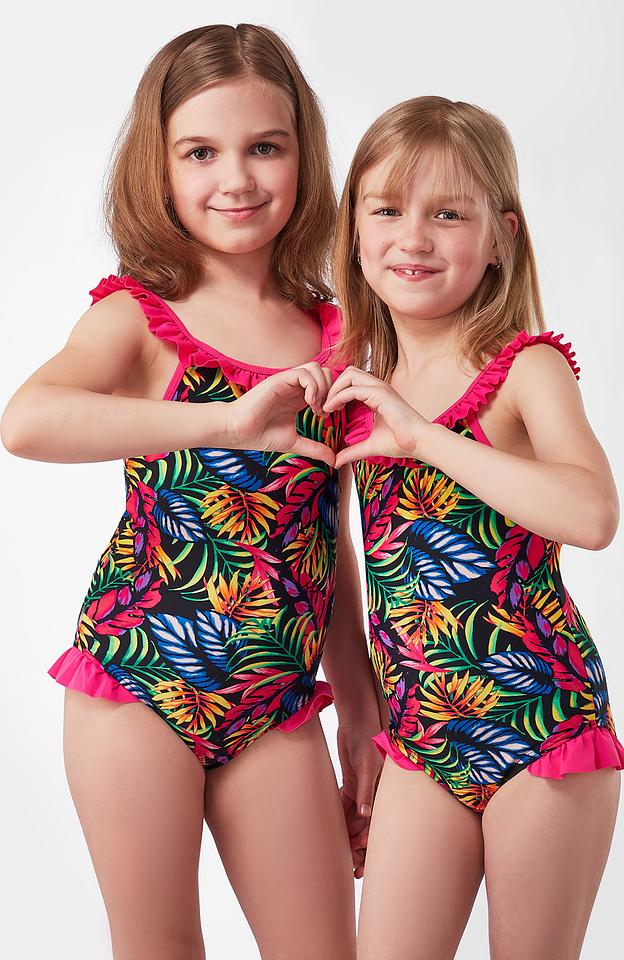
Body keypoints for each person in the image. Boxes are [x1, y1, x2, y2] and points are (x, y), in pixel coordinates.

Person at [1, 23, 381, 960]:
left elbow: (326, 531)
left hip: (278, 699)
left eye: (266, 148)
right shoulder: (139, 315)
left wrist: (359, 702)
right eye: (200, 152)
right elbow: (28, 421)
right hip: (137, 682)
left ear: (304, 156)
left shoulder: (338, 333)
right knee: (160, 947)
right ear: (159, 166)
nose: (236, 179)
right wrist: (222, 423)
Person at [324, 95, 624, 960]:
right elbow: (337, 556)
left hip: (541, 724)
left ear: (500, 236)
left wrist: (424, 439)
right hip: (420, 736)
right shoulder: (355, 387)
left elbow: (593, 514)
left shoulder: (524, 368)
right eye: (387, 210)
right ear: (354, 231)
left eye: (448, 214)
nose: (413, 238)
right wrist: (359, 711)